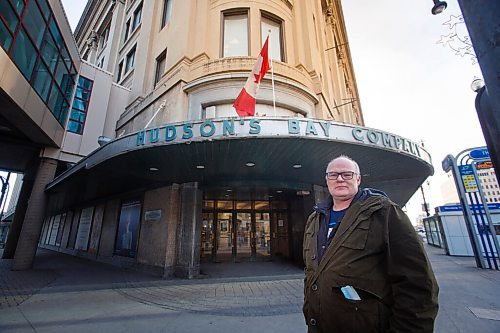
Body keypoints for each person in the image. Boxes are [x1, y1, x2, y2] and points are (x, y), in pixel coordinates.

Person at [303, 155, 438, 333]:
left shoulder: (384, 212)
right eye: (333, 175)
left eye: (347, 174)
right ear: (327, 180)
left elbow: (417, 283)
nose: (340, 178)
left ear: (358, 179)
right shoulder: (315, 218)